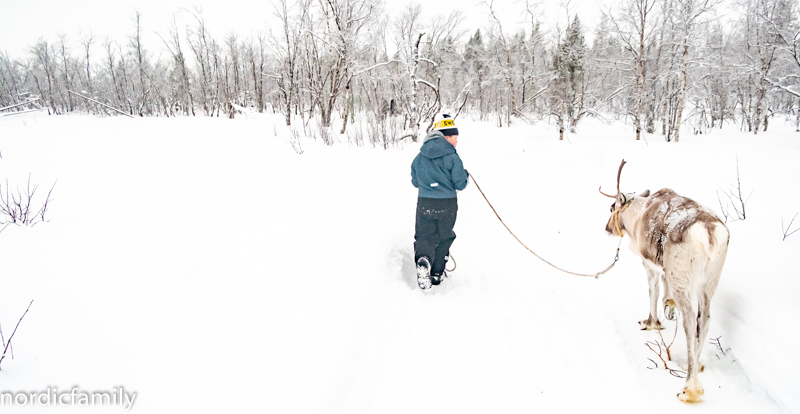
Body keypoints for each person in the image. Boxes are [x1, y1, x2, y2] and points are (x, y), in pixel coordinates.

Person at [410, 114, 468, 289]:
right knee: (444, 237)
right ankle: (436, 274)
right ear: (446, 137)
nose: (457, 142)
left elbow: (415, 181)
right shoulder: (452, 157)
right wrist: (464, 175)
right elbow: (460, 184)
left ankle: (424, 260)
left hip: (425, 202)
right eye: (455, 138)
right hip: (447, 204)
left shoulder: (419, 157)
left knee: (424, 236)